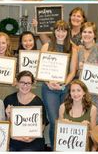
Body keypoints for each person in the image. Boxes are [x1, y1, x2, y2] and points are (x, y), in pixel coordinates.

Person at [41, 20, 77, 148]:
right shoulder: (47, 46)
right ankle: (54, 148)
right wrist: (48, 82)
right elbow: (41, 69)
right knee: (54, 120)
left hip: (65, 88)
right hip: (49, 89)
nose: (60, 33)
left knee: (64, 120)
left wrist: (63, 84)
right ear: (54, 31)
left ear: (67, 32)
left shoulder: (72, 48)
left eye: (63, 30)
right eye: (58, 30)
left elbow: (73, 71)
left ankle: (63, 147)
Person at [77, 22, 98, 124]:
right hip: (82, 96)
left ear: (94, 34)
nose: (87, 34)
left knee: (96, 127)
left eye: (90, 32)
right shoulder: (79, 49)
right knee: (83, 127)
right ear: (81, 34)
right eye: (84, 32)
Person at [4, 71, 48, 151]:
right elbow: (4, 125)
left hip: (33, 141)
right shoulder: (9, 99)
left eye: (28, 83)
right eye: (22, 82)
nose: (25, 86)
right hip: (14, 140)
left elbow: (43, 124)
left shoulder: (38, 101)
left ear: (32, 85)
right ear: (17, 83)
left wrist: (32, 137)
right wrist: (8, 116)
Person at [59, 80, 97, 150]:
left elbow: (93, 136)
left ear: (84, 92)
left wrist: (86, 130)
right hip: (66, 146)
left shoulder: (92, 109)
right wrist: (63, 126)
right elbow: (59, 135)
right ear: (70, 93)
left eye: (79, 90)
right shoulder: (62, 107)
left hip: (83, 147)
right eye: (73, 91)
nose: (76, 94)